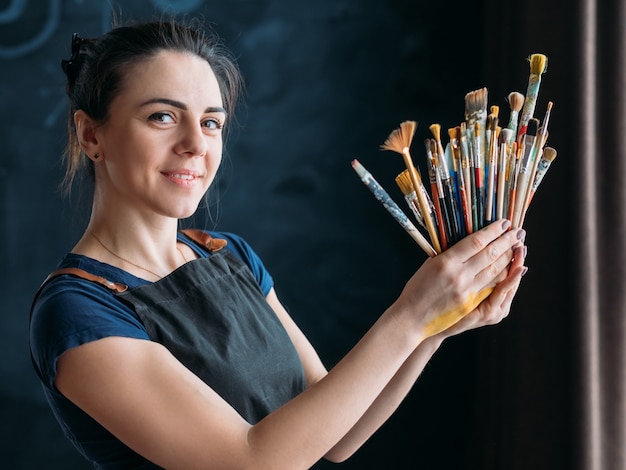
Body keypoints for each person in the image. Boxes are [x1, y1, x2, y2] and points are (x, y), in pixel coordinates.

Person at [29, 19, 528, 470]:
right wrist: (410, 314)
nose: (196, 145)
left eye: (211, 122)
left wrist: (434, 329)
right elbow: (249, 462)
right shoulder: (78, 311)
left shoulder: (229, 254)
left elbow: (338, 435)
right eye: (162, 116)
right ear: (91, 134)